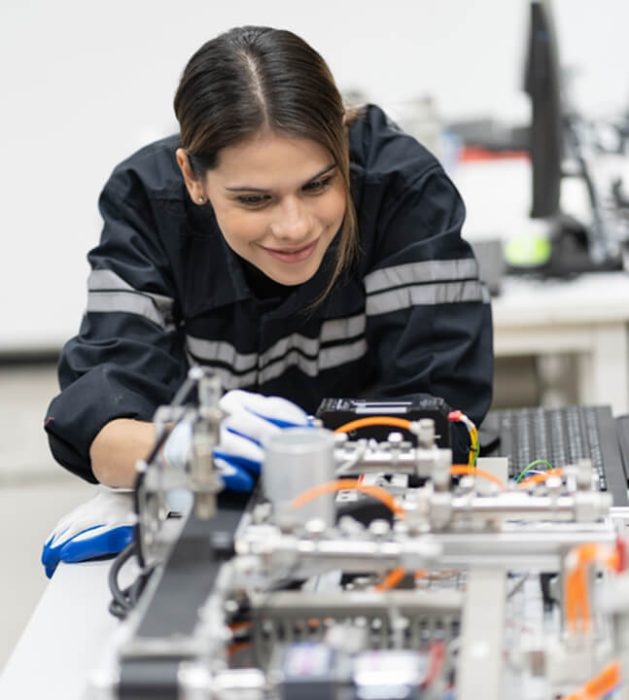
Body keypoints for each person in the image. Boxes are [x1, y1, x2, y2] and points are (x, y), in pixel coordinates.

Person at [42, 26, 493, 575]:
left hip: (371, 514)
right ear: (193, 177)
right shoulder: (147, 202)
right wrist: (182, 450)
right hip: (219, 517)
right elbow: (103, 408)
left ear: (343, 148)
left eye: (318, 185)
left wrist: (314, 471)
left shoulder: (402, 188)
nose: (294, 226)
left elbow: (442, 410)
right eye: (254, 199)